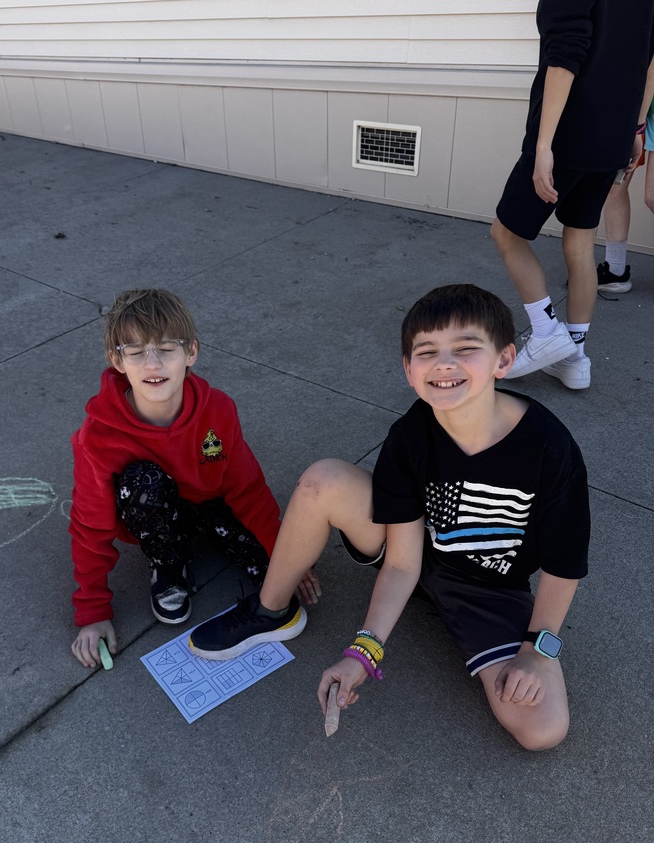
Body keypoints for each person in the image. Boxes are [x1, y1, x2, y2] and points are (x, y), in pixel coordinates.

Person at [189, 284, 590, 751]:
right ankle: (271, 608)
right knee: (325, 480)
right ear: (408, 369)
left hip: (490, 589)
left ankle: (484, 631)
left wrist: (537, 652)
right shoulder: (411, 434)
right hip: (416, 550)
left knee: (542, 729)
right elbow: (402, 562)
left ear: (504, 360)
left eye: (465, 349)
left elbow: (564, 566)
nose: (445, 363)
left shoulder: (549, 447)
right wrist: (363, 652)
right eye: (427, 352)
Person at [69, 288, 316, 668]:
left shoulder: (218, 410)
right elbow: (90, 525)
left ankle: (250, 554)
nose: (152, 364)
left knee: (276, 578)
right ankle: (169, 562)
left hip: (210, 506)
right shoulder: (97, 437)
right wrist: (92, 611)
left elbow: (247, 489)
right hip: (153, 512)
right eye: (136, 352)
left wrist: (287, 556)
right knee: (143, 481)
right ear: (116, 360)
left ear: (191, 353)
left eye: (166, 348)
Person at [491, 0, 654, 390]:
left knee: (506, 233)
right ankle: (575, 357)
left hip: (567, 134)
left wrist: (544, 144)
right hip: (612, 137)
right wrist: (635, 129)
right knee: (580, 241)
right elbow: (650, 61)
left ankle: (548, 333)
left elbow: (564, 56)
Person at [596, 94, 654, 294]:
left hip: (638, 113)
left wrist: (636, 126)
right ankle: (615, 270)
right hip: (633, 106)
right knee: (615, 184)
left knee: (652, 197)